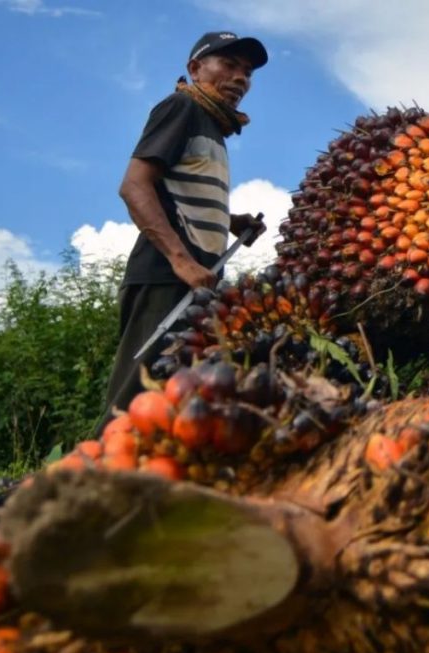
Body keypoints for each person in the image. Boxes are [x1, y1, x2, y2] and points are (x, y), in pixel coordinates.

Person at [100, 31, 269, 425]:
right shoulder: (182, 107)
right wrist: (180, 260)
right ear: (195, 68)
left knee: (177, 402)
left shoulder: (213, 127)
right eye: (229, 65)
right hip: (166, 279)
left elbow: (177, 192)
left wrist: (232, 222)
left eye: (247, 72)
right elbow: (135, 186)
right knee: (136, 399)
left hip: (199, 283)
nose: (241, 78)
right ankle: (96, 462)